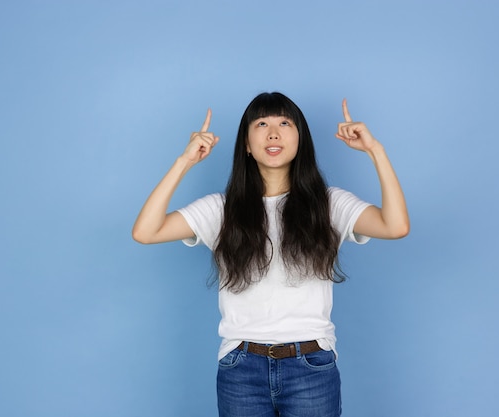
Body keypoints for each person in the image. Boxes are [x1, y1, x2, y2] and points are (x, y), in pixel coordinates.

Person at [132, 92, 409, 417]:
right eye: (261, 123)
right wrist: (184, 162)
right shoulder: (222, 210)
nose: (273, 132)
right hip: (241, 368)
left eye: (284, 122)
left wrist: (376, 151)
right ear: (247, 145)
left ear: (299, 140)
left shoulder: (329, 204)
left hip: (311, 364)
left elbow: (395, 226)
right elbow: (145, 231)